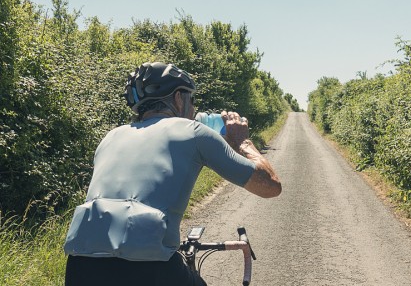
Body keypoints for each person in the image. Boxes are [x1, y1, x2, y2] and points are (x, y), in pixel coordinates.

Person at [63, 62, 281, 286]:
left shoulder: (110, 137)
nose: (194, 109)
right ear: (179, 98)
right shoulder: (195, 133)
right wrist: (243, 142)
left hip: (80, 267)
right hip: (150, 268)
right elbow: (270, 186)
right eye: (192, 100)